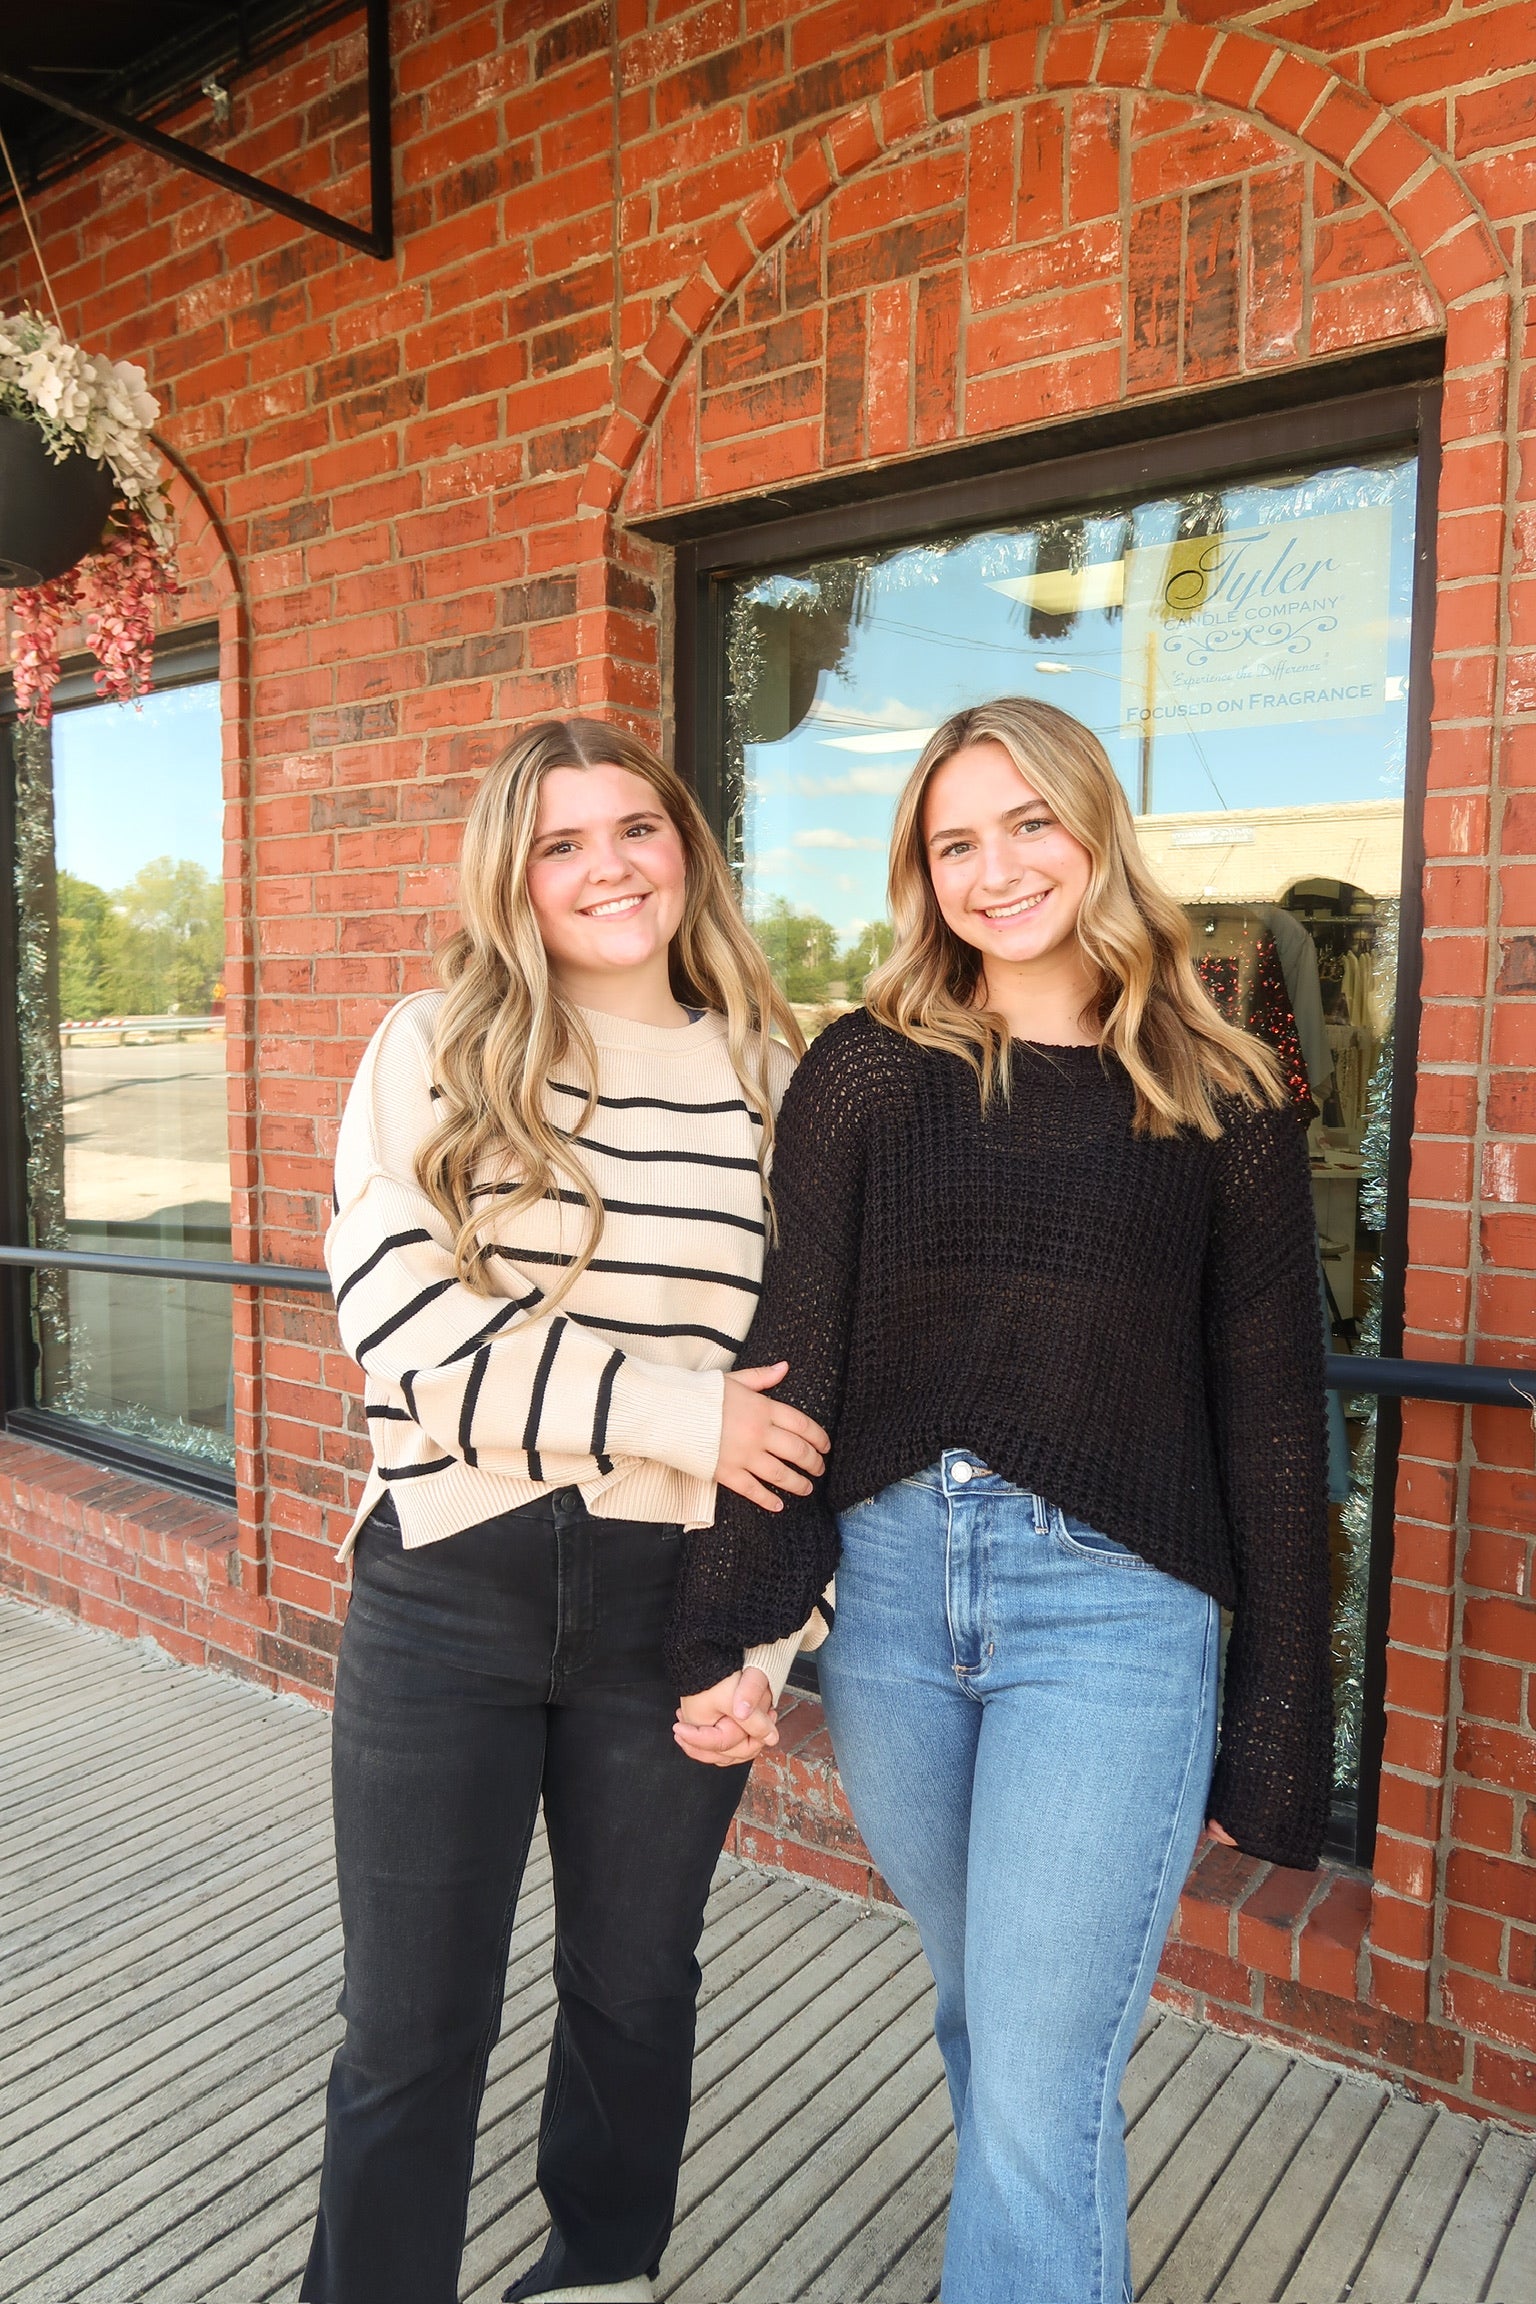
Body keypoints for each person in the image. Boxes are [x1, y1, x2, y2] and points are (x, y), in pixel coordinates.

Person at [670, 698, 1332, 2304]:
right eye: (954, 841)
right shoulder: (866, 1075)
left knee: (1040, 2074)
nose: (995, 867)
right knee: (987, 2013)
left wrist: (1282, 1714)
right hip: (896, 1608)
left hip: (1112, 1616)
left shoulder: (1222, 1091)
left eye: (1028, 823)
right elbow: (792, 1367)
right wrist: (737, 1634)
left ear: (1096, 830)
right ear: (922, 873)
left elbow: (1271, 1419)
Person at [301, 718, 825, 2304]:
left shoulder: (776, 1080)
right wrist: (683, 1413)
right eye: (562, 841)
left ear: (688, 853)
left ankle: (599, 2278)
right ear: (512, 877)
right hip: (449, 1583)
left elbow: (816, 1396)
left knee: (635, 1992)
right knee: (410, 2022)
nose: (609, 867)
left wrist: (772, 1642)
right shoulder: (433, 1048)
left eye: (638, 831)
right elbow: (410, 1338)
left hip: (679, 1599)